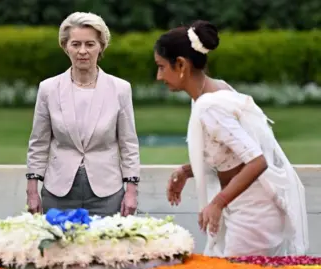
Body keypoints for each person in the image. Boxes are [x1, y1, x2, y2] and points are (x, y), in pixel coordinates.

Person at [155, 20, 309, 257]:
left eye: (162, 67)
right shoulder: (215, 89)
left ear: (181, 64)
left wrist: (218, 203)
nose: (158, 76)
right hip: (242, 206)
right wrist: (187, 171)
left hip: (253, 213)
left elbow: (257, 161)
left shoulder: (209, 105)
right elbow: (229, 155)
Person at [25, 12, 140, 217]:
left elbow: (128, 144)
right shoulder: (48, 88)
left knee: (107, 248)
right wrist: (32, 190)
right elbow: (38, 143)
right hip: (58, 192)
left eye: (90, 44)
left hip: (107, 192)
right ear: (65, 46)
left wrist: (131, 191)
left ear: (101, 46)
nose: (82, 51)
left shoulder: (120, 89)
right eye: (76, 44)